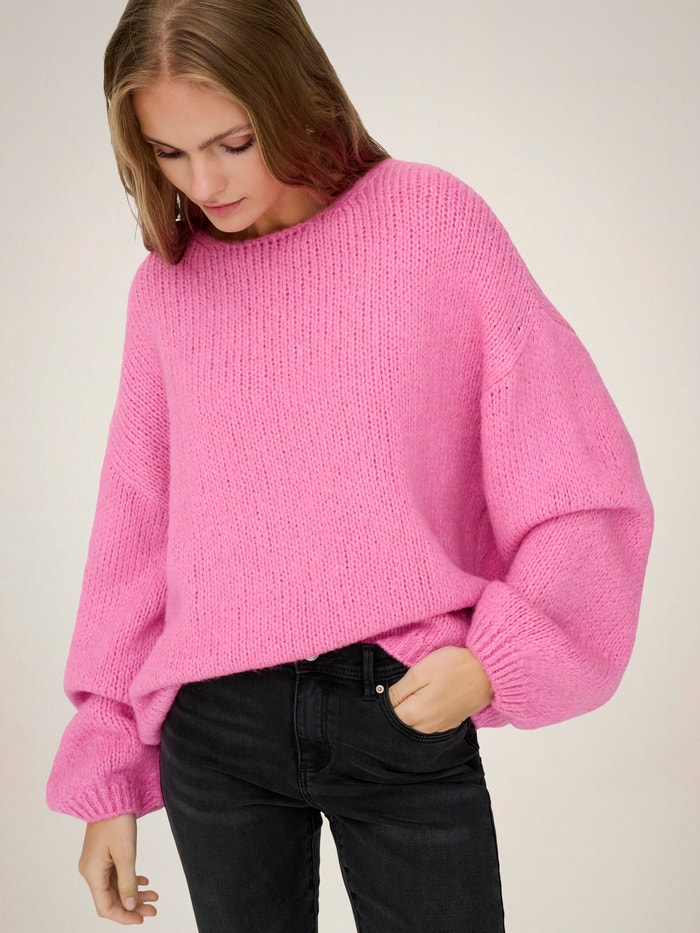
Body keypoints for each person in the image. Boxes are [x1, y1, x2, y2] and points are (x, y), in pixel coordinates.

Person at [46, 1, 654, 930]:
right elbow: (135, 527)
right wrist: (109, 775)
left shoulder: (432, 222)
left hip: (398, 706)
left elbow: (578, 474)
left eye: (233, 142)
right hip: (216, 727)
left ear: (291, 97)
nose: (204, 180)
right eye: (169, 153)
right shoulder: (167, 289)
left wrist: (497, 658)